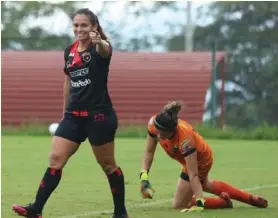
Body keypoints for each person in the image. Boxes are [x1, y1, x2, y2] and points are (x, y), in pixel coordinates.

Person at [12, 8, 129, 218]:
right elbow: (68, 81)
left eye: (84, 25)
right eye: (76, 25)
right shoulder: (70, 51)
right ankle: (36, 209)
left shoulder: (100, 48)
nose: (79, 29)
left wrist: (99, 41)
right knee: (55, 158)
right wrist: (65, 111)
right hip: (73, 116)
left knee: (108, 164)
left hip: (99, 116)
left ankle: (120, 213)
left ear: (94, 27)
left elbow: (105, 50)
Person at [139, 100, 268, 212]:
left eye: (162, 134)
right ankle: (249, 198)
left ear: (172, 130)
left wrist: (200, 201)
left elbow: (193, 175)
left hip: (201, 159)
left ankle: (221, 203)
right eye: (157, 131)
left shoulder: (185, 140)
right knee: (205, 184)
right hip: (187, 158)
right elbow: (149, 152)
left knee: (179, 204)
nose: (158, 136)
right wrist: (144, 177)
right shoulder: (154, 124)